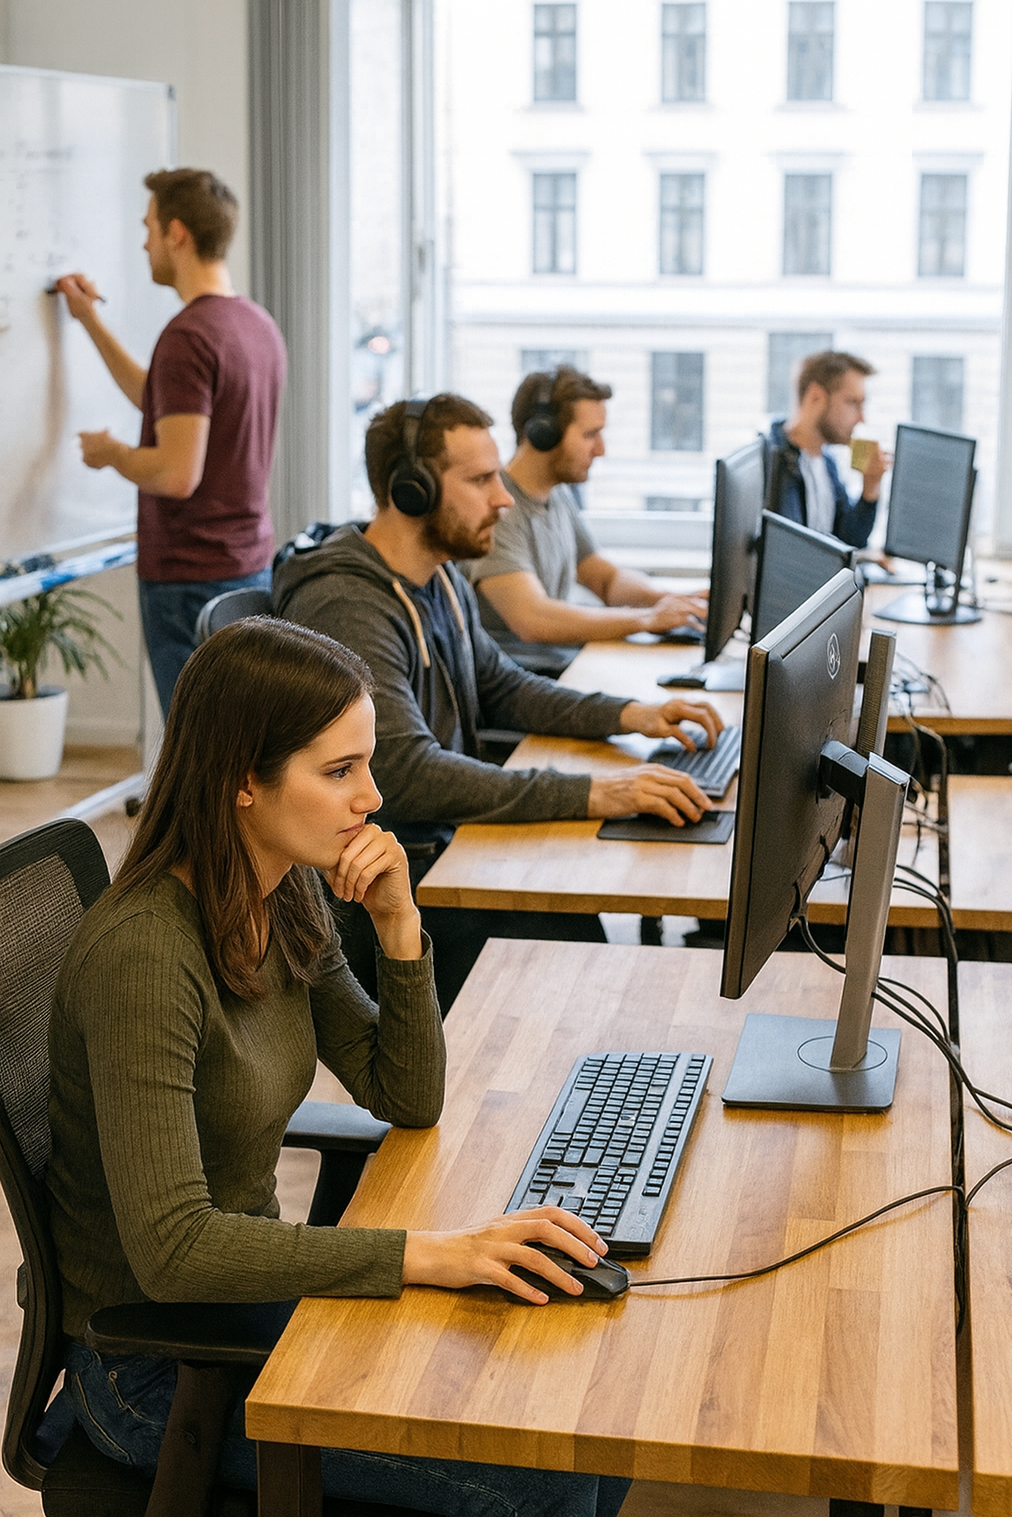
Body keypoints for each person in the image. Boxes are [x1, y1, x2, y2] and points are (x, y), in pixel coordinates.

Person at [46, 616, 631, 1517]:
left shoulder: (282, 890)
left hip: (251, 1304)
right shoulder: (146, 957)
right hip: (153, 1371)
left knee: (589, 1416)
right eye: (340, 771)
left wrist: (399, 924)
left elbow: (406, 1094)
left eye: (368, 764)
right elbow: (174, 1252)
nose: (373, 797)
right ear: (243, 780)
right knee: (553, 1477)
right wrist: (432, 1254)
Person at [273, 392, 723, 1011]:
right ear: (411, 491)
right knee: (578, 947)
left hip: (447, 846)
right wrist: (598, 791)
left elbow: (502, 685)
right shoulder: (350, 606)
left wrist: (630, 715)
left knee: (585, 886)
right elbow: (404, 774)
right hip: (389, 882)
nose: (504, 498)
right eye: (481, 479)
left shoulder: (438, 576)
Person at [54, 168, 287, 717]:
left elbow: (177, 474)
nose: (144, 243)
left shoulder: (188, 335)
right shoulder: (254, 324)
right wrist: (89, 321)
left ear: (176, 233)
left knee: (200, 747)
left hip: (189, 579)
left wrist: (112, 455)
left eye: (149, 227)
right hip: (247, 566)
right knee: (239, 737)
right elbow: (160, 400)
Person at [464, 366, 707, 676]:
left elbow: (604, 579)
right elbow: (532, 619)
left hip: (558, 666)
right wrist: (646, 619)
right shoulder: (498, 510)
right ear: (543, 433)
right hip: (524, 680)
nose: (601, 450)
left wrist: (674, 601)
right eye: (590, 435)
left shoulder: (557, 494)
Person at [764, 350, 887, 549]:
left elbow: (849, 539)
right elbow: (790, 550)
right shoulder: (774, 463)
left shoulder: (826, 462)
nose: (861, 418)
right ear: (816, 397)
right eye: (852, 403)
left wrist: (870, 488)